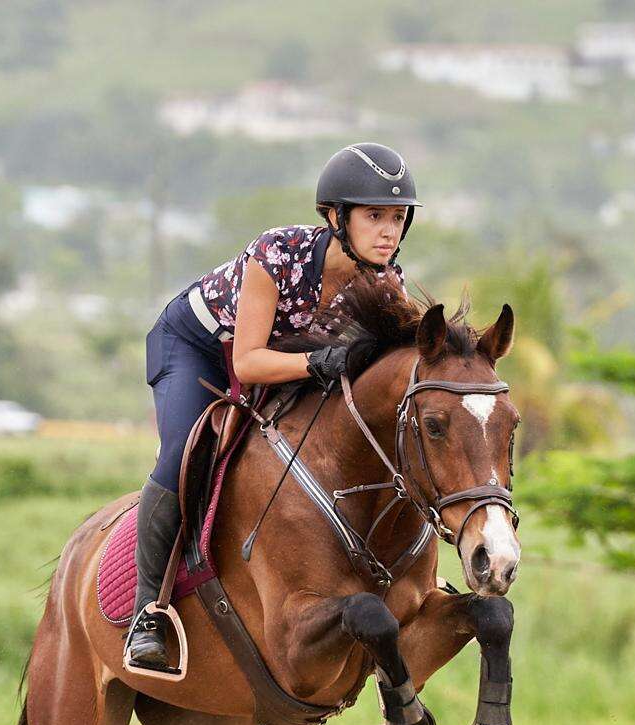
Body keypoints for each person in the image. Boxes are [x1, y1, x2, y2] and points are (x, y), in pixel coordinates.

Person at [125, 142, 419, 672]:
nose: (388, 232)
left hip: (283, 359)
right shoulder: (276, 255)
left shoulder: (384, 282)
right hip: (200, 348)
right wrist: (318, 364)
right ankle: (148, 614)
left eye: (397, 219)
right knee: (184, 453)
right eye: (374, 216)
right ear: (335, 217)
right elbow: (252, 362)